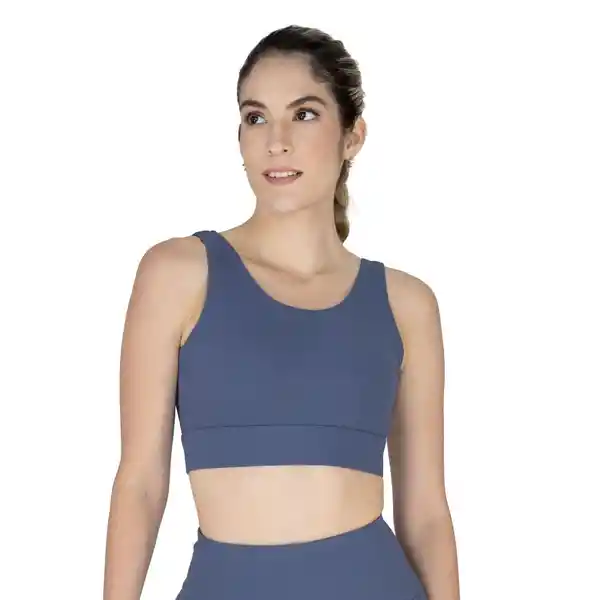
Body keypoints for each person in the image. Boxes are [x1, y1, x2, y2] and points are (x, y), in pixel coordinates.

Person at [103, 24, 460, 600]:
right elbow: (140, 484)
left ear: (352, 136)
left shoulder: (406, 303)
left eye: (305, 114)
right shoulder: (177, 274)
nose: (277, 141)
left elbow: (426, 513)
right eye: (256, 117)